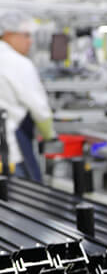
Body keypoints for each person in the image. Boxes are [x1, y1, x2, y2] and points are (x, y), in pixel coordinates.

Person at [0, 10, 56, 181]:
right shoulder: (18, 63)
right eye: (26, 35)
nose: (30, 41)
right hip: (9, 155)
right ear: (8, 34)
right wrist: (50, 137)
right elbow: (40, 109)